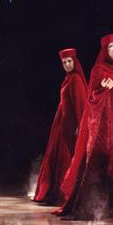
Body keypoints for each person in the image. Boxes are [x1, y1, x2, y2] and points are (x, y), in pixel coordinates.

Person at [54, 34, 113, 219]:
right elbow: (91, 99)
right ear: (105, 51)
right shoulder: (98, 70)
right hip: (102, 129)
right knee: (98, 164)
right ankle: (90, 206)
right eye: (110, 47)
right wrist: (103, 89)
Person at [33, 48, 88, 205]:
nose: (67, 65)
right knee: (57, 157)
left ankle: (63, 195)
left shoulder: (76, 79)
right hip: (61, 126)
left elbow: (80, 104)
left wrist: (80, 126)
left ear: (75, 61)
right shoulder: (68, 78)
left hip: (70, 127)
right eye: (64, 63)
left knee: (65, 158)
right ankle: (53, 193)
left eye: (69, 61)